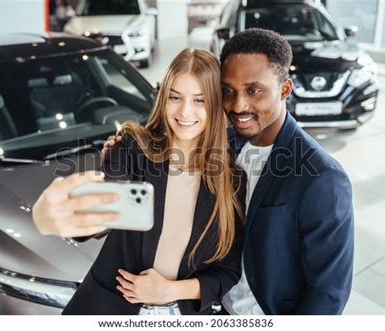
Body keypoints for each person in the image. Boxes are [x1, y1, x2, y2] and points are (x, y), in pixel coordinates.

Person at [102, 28, 354, 315]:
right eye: (228, 91)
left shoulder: (321, 176)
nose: (238, 105)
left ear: (284, 89)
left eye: (253, 90)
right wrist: (124, 146)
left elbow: (328, 295)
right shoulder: (223, 145)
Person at [32, 48, 246, 315]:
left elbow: (226, 273)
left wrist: (171, 291)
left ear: (215, 104)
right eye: (175, 97)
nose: (185, 111)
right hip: (109, 308)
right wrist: (78, 212)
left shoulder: (232, 179)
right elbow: (102, 210)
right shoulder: (134, 147)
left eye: (199, 100)